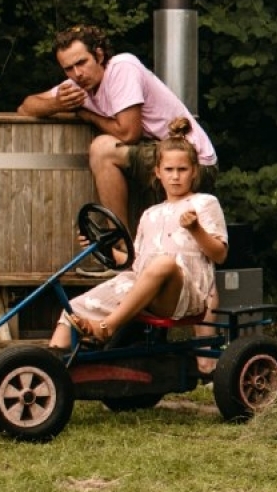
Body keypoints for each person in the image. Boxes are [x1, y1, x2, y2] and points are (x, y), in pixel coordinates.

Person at [50, 125, 227, 350]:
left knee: (163, 263)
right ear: (158, 172)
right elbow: (136, 264)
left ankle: (108, 328)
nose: (175, 176)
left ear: (194, 171)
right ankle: (48, 370)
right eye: (169, 169)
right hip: (144, 289)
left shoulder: (205, 203)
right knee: (72, 312)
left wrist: (196, 230)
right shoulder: (149, 214)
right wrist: (101, 248)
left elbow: (220, 255)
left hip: (183, 295)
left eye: (182, 170)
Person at [18, 24, 219, 221]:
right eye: (68, 68)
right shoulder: (77, 86)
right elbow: (25, 107)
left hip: (194, 162)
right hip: (159, 157)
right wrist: (57, 103)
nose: (77, 73)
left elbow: (129, 134)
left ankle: (119, 241)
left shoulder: (122, 68)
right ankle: (124, 246)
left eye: (81, 63)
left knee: (102, 149)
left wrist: (89, 116)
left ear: (99, 55)